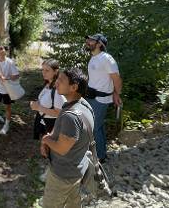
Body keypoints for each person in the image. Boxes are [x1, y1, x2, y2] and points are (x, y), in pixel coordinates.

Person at [41, 68, 94, 208]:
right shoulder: (84, 105)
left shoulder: (70, 116)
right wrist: (51, 135)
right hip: (78, 168)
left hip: (62, 175)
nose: (56, 83)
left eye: (61, 80)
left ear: (74, 87)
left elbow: (61, 148)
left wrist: (45, 140)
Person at [85, 33, 122, 161]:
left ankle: (99, 157)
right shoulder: (94, 58)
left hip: (101, 99)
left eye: (92, 40)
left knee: (94, 127)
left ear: (100, 44)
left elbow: (116, 79)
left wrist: (117, 94)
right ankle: (101, 154)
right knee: (98, 126)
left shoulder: (106, 58)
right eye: (88, 40)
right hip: (91, 97)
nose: (88, 42)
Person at [29, 59, 66, 180]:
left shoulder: (57, 89)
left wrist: (38, 107)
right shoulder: (48, 84)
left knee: (53, 149)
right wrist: (37, 104)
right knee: (47, 147)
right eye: (42, 70)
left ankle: (54, 174)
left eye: (47, 70)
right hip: (45, 120)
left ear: (56, 71)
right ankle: (52, 169)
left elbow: (59, 112)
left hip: (53, 123)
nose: (43, 73)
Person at [0, 45, 20, 135]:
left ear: (6, 51)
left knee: (7, 107)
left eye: (1, 48)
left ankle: (6, 124)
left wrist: (7, 77)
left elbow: (17, 75)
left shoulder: (10, 62)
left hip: (7, 89)